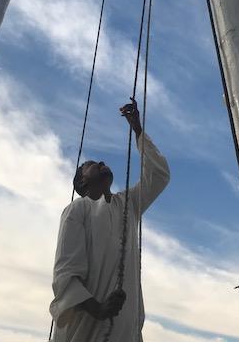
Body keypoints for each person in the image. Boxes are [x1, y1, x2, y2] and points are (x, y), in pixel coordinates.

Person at [50, 98, 170, 341]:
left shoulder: (128, 204)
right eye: (92, 165)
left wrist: (138, 130)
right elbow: (65, 273)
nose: (102, 163)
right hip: (86, 332)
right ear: (82, 182)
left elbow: (158, 175)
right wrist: (98, 309)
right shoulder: (77, 209)